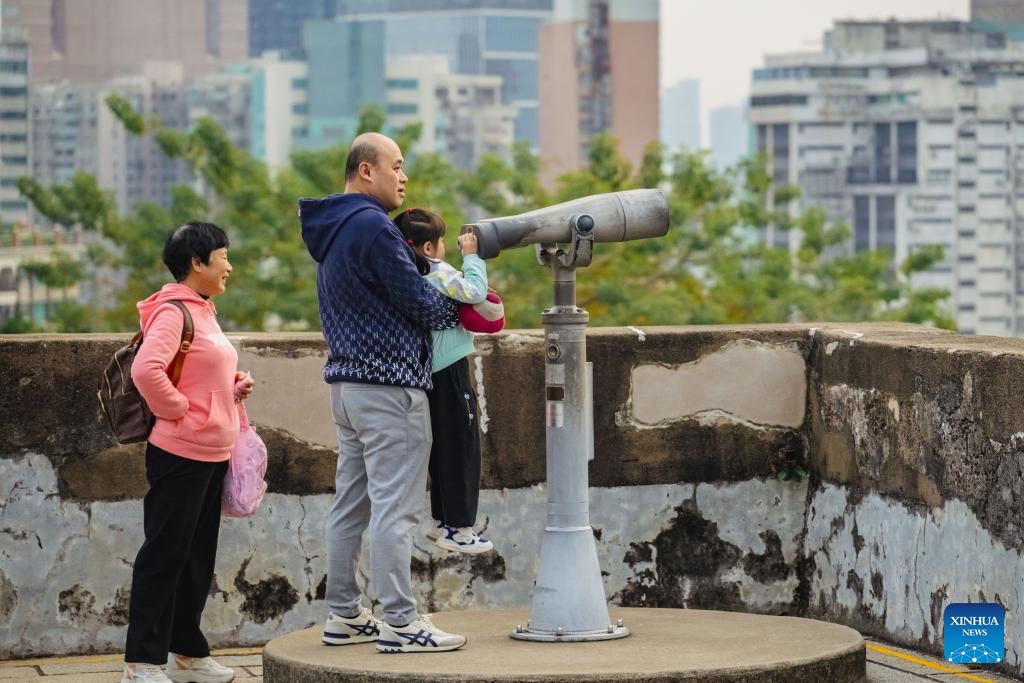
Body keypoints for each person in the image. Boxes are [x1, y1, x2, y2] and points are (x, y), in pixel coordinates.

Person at [299, 133, 467, 654]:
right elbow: (422, 305)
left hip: (348, 389)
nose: (404, 177)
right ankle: (399, 621)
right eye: (396, 165)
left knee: (351, 507)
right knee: (396, 511)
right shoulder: (374, 227)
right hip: (390, 389)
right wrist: (457, 304)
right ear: (366, 170)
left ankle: (345, 614)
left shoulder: (332, 229)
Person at [122, 222, 255, 683]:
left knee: (197, 558)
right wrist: (180, 411)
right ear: (197, 262)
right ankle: (141, 663)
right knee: (165, 556)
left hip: (212, 452)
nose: (229, 266)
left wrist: (230, 389)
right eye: (222, 256)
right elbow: (146, 370)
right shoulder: (173, 311)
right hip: (180, 452)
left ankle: (186, 653)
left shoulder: (204, 310)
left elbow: (195, 371)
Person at [395, 208, 493, 554]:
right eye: (440, 242)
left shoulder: (408, 274)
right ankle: (460, 528)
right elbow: (475, 291)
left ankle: (443, 521)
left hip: (428, 372)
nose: (444, 248)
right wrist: (472, 257)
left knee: (442, 448)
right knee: (462, 448)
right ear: (427, 248)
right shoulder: (437, 272)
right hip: (450, 370)